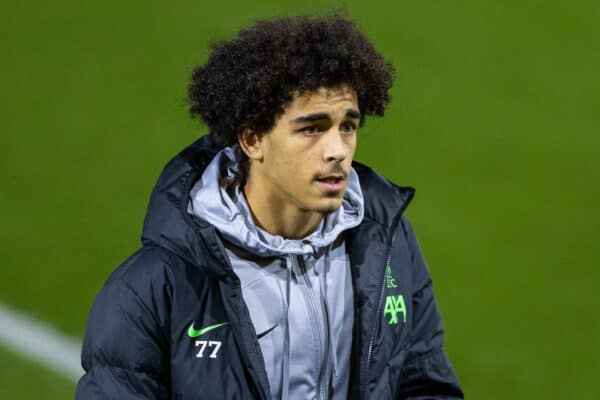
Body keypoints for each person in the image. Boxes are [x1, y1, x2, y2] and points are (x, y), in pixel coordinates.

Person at [76, 13, 463, 400]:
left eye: (347, 126)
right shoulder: (156, 286)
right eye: (312, 128)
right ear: (252, 140)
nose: (338, 151)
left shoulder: (386, 242)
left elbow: (424, 385)